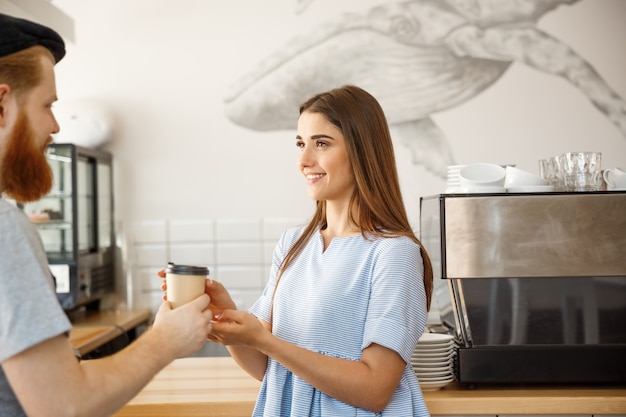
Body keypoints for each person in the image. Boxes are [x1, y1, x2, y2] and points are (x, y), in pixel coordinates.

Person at [0, 13, 214, 417]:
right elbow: (64, 405)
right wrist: (165, 341)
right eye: (47, 105)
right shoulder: (4, 228)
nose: (55, 125)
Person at [204, 85, 434, 415]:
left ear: (362, 151)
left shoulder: (393, 253)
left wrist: (265, 340)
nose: (304, 160)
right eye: (301, 144)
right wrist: (231, 321)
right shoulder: (293, 245)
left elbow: (376, 389)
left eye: (321, 144)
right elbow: (271, 371)